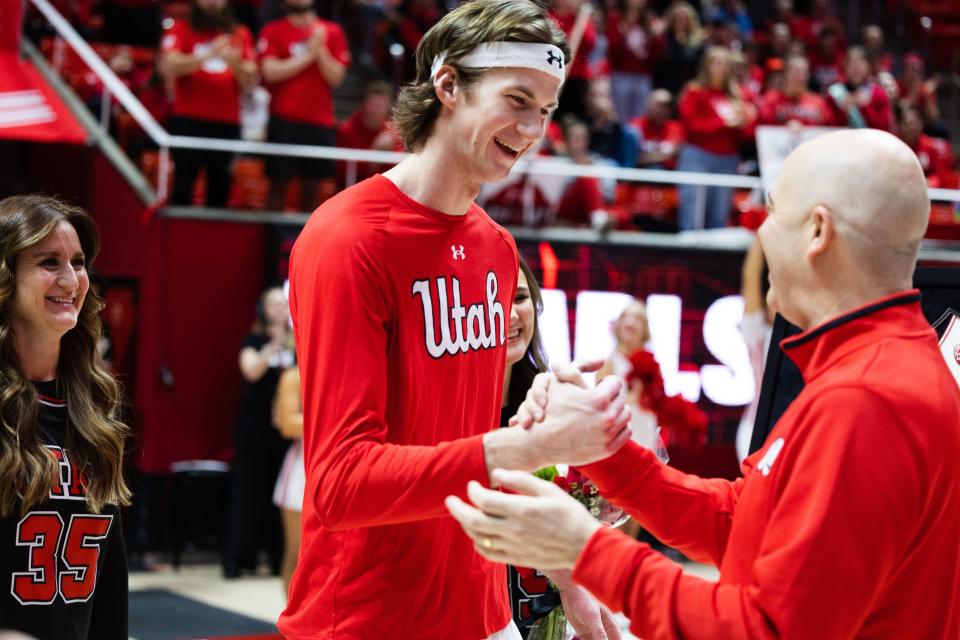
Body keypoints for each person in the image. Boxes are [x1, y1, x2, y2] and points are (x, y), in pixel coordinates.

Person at [448, 128, 960, 638]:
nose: (756, 233)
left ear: (817, 233)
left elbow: (765, 628)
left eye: (771, 213)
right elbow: (741, 525)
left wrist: (585, 550)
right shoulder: (880, 371)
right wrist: (600, 451)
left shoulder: (867, 400)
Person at [280, 2, 632, 638]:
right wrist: (533, 444)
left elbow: (471, 444)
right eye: (518, 99)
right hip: (368, 618)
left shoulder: (497, 246)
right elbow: (341, 485)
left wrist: (566, 573)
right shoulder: (348, 239)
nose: (532, 129)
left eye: (547, 111)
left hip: (482, 611)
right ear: (447, 85)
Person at [0, 195, 131, 639]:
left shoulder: (93, 410)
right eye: (49, 262)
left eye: (77, 262)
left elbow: (109, 573)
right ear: (6, 277)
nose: (71, 279)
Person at [501, 258, 620, 639]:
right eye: (491, 301)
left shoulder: (557, 401)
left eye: (519, 298)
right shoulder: (448, 410)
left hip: (546, 612)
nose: (509, 313)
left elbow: (592, 507)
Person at [222, 286, 295, 579]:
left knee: (280, 496)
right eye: (274, 304)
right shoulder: (254, 341)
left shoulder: (295, 343)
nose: (280, 309)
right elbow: (250, 370)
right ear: (263, 310)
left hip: (284, 430)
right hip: (254, 429)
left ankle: (280, 559)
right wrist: (273, 346)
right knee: (247, 493)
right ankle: (238, 558)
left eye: (283, 304)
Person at [160, 0, 257, 207]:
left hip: (226, 122)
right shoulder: (181, 28)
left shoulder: (240, 33)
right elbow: (171, 64)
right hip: (188, 119)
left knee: (220, 187)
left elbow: (250, 75)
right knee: (183, 183)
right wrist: (209, 53)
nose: (213, 3)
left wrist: (234, 61)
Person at [257, 0, 350, 212]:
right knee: (277, 186)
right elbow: (270, 72)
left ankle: (307, 244)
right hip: (283, 119)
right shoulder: (273, 29)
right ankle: (272, 244)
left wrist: (320, 51)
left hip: (319, 122)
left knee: (313, 188)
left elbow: (336, 78)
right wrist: (309, 55)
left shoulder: (332, 31)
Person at [676, 46, 756, 230]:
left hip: (727, 158)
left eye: (725, 63)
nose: (721, 67)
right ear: (707, 65)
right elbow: (690, 125)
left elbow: (746, 133)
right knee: (693, 211)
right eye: (716, 62)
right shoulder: (694, 91)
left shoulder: (737, 95)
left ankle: (714, 258)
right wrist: (722, 124)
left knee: (719, 214)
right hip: (698, 156)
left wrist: (745, 122)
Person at [734, 234, 773, 463]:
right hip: (754, 429)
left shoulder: (805, 326)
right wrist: (762, 231)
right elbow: (750, 278)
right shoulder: (756, 332)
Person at [271, 365, 304, 596]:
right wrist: (331, 419)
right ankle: (289, 618)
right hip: (301, 469)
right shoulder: (293, 376)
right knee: (297, 551)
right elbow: (287, 423)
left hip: (335, 463)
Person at [826, 46, 892, 131]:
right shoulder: (833, 94)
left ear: (868, 67)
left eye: (860, 64)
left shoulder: (878, 94)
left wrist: (865, 107)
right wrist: (844, 111)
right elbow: (829, 128)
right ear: (845, 67)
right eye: (852, 65)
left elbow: (883, 128)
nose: (856, 69)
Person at [757, 54, 832, 126]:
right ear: (786, 74)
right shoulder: (770, 99)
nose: (801, 77)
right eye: (797, 72)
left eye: (804, 73)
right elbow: (760, 125)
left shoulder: (818, 102)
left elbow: (829, 128)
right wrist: (785, 127)